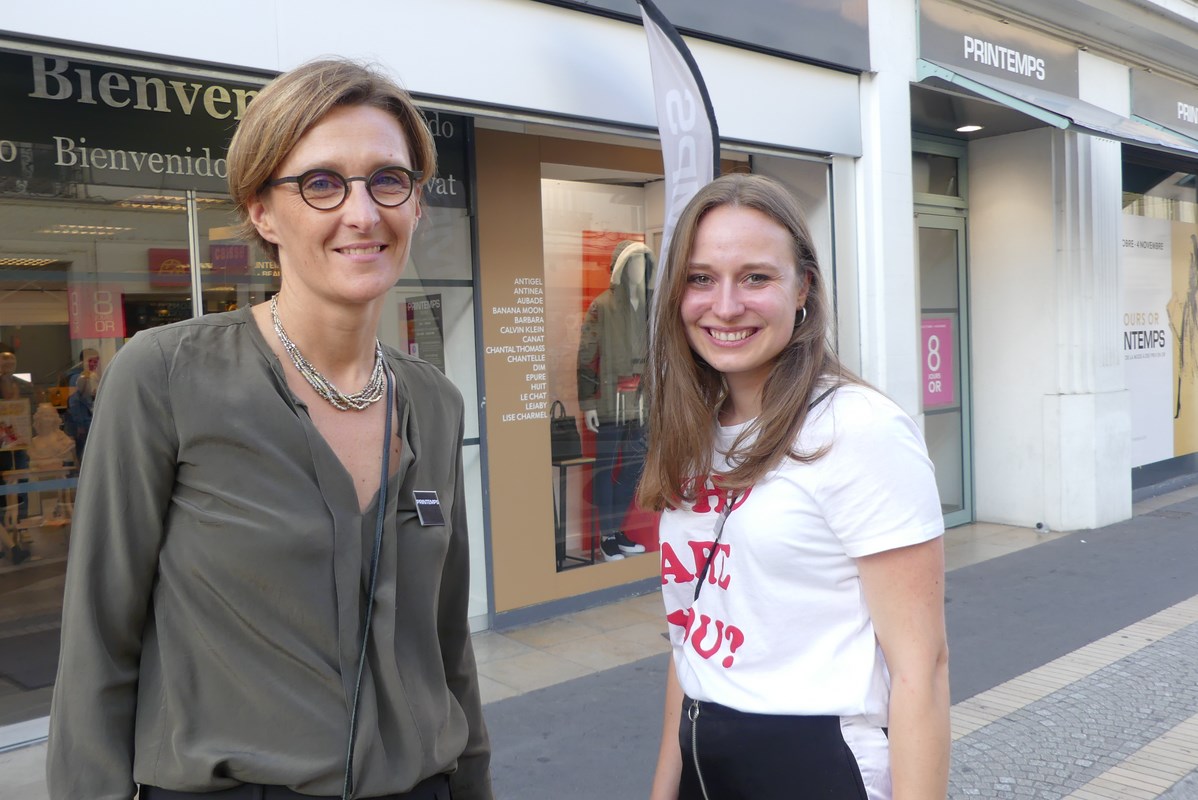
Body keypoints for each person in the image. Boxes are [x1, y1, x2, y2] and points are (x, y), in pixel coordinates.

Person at [47, 59, 492, 800]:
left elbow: (447, 647)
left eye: (389, 179)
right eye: (321, 183)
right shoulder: (166, 376)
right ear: (262, 212)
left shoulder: (434, 403)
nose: (362, 213)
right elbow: (98, 642)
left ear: (416, 203)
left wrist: (474, 783)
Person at [638, 174, 949, 800]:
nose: (726, 306)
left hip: (812, 763)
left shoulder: (857, 428)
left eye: (755, 277)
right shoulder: (697, 428)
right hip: (704, 755)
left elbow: (922, 669)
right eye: (701, 278)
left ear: (803, 287)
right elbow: (692, 635)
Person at [577, 240, 654, 561]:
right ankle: (606, 535)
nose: (638, 269)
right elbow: (587, 356)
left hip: (643, 404)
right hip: (610, 403)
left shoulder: (652, 306)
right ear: (620, 269)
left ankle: (616, 528)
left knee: (635, 468)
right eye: (632, 263)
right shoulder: (602, 306)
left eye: (643, 262)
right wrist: (589, 403)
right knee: (606, 468)